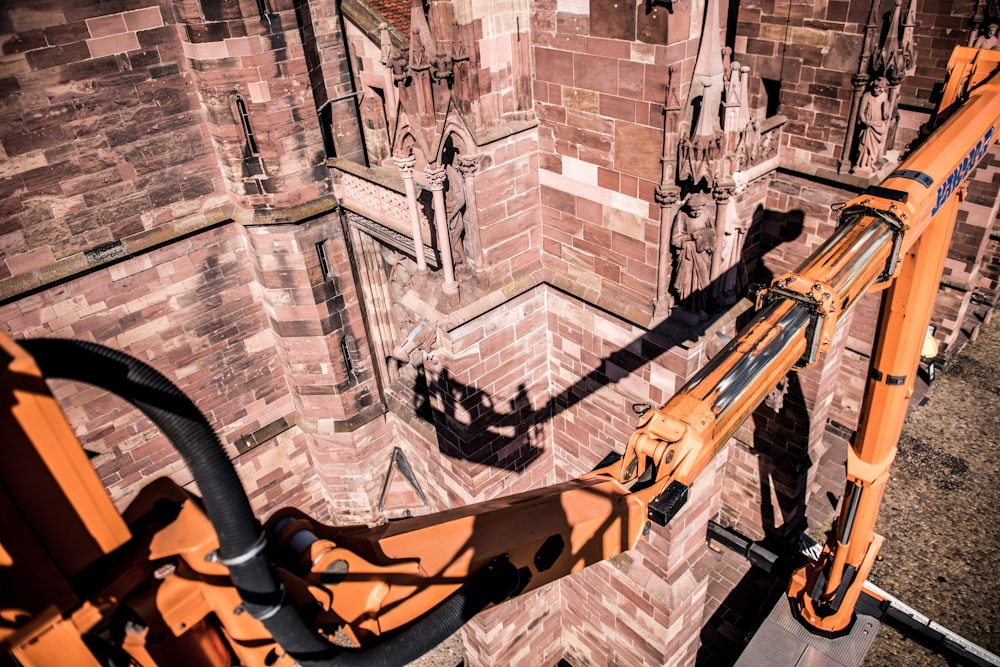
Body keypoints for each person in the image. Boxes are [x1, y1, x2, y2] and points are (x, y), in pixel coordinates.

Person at [672, 192, 715, 319]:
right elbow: (674, 239)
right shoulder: (682, 215)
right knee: (687, 281)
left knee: (702, 282)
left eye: (699, 210)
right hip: (688, 254)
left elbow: (712, 232)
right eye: (693, 210)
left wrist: (709, 243)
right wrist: (690, 236)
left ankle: (700, 308)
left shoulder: (707, 214)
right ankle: (686, 307)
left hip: (702, 255)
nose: (696, 213)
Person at [855, 77, 890, 172]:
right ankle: (861, 164)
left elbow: (885, 113)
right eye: (875, 87)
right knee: (864, 146)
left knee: (875, 148)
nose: (876, 90)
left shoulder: (884, 96)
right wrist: (865, 121)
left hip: (878, 126)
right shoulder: (867, 95)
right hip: (869, 125)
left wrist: (886, 114)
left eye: (879, 88)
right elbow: (861, 113)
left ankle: (870, 163)